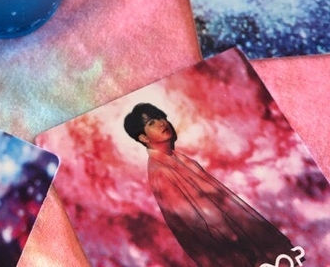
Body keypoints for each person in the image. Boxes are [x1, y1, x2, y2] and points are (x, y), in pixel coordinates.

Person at [123, 103, 294, 267]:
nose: (161, 123)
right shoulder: (160, 171)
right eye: (152, 123)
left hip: (238, 237)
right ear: (143, 137)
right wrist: (238, 245)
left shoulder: (176, 158)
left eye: (161, 117)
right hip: (229, 246)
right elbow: (193, 221)